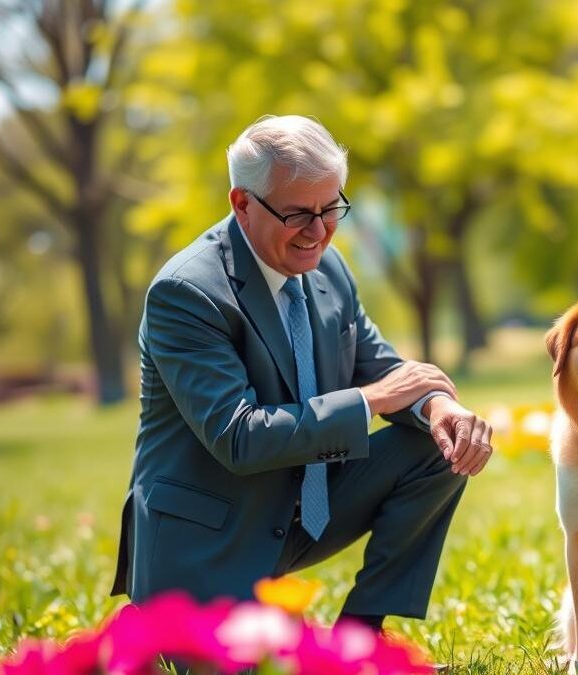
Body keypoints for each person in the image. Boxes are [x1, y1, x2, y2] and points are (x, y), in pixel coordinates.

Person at [111, 115, 493, 631]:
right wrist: (372, 400)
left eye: (332, 207)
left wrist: (440, 407)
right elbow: (239, 436)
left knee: (435, 445)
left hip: (299, 511)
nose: (319, 231)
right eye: (298, 214)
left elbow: (378, 365)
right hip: (206, 541)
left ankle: (362, 640)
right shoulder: (187, 293)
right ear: (242, 204)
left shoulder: (329, 268)